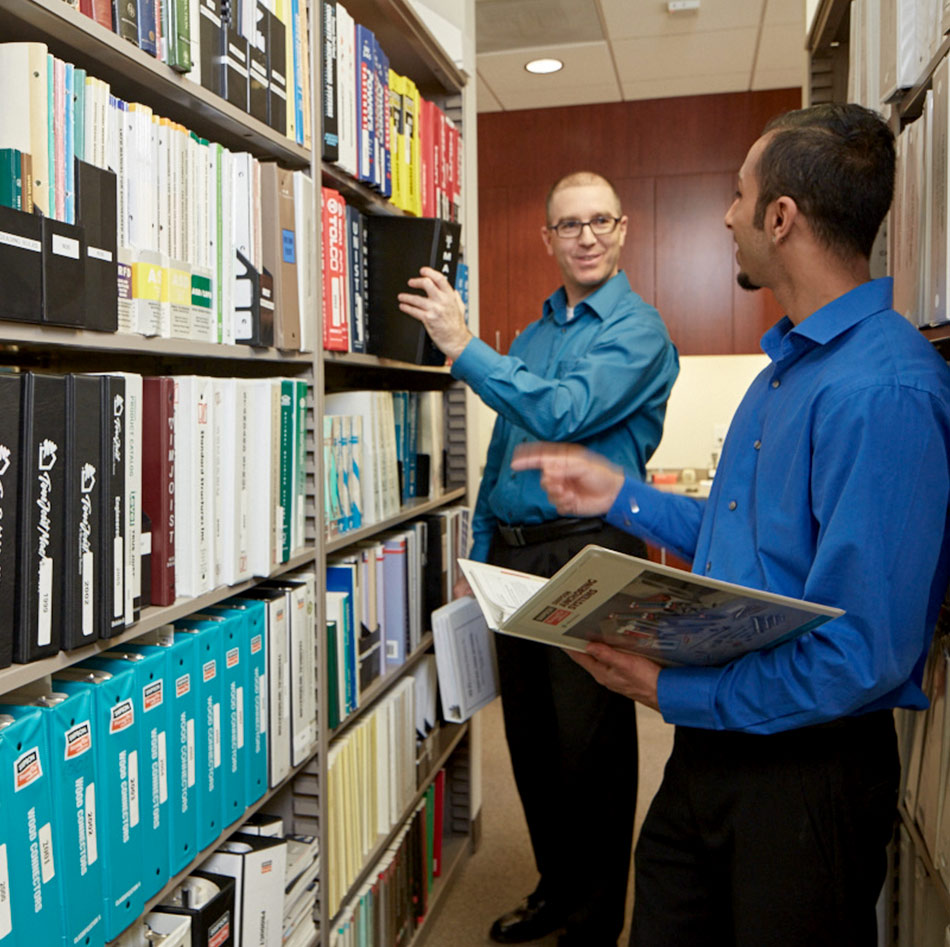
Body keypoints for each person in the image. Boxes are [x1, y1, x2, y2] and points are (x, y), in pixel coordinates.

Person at [511, 103, 950, 947]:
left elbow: (860, 654)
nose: (726, 215)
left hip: (804, 775)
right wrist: (620, 495)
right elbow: (742, 527)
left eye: (738, 195)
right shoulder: (785, 370)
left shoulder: (884, 391)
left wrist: (674, 690)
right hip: (714, 752)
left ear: (780, 218)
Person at [398, 171, 679, 946]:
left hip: (591, 553)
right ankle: (558, 892)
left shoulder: (639, 331)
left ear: (622, 231)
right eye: (568, 224)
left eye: (599, 221)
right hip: (518, 558)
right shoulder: (536, 333)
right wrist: (480, 559)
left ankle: (591, 925)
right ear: (547, 239)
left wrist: (464, 347)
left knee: (591, 752)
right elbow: (504, 455)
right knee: (534, 745)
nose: (585, 236)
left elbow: (563, 414)